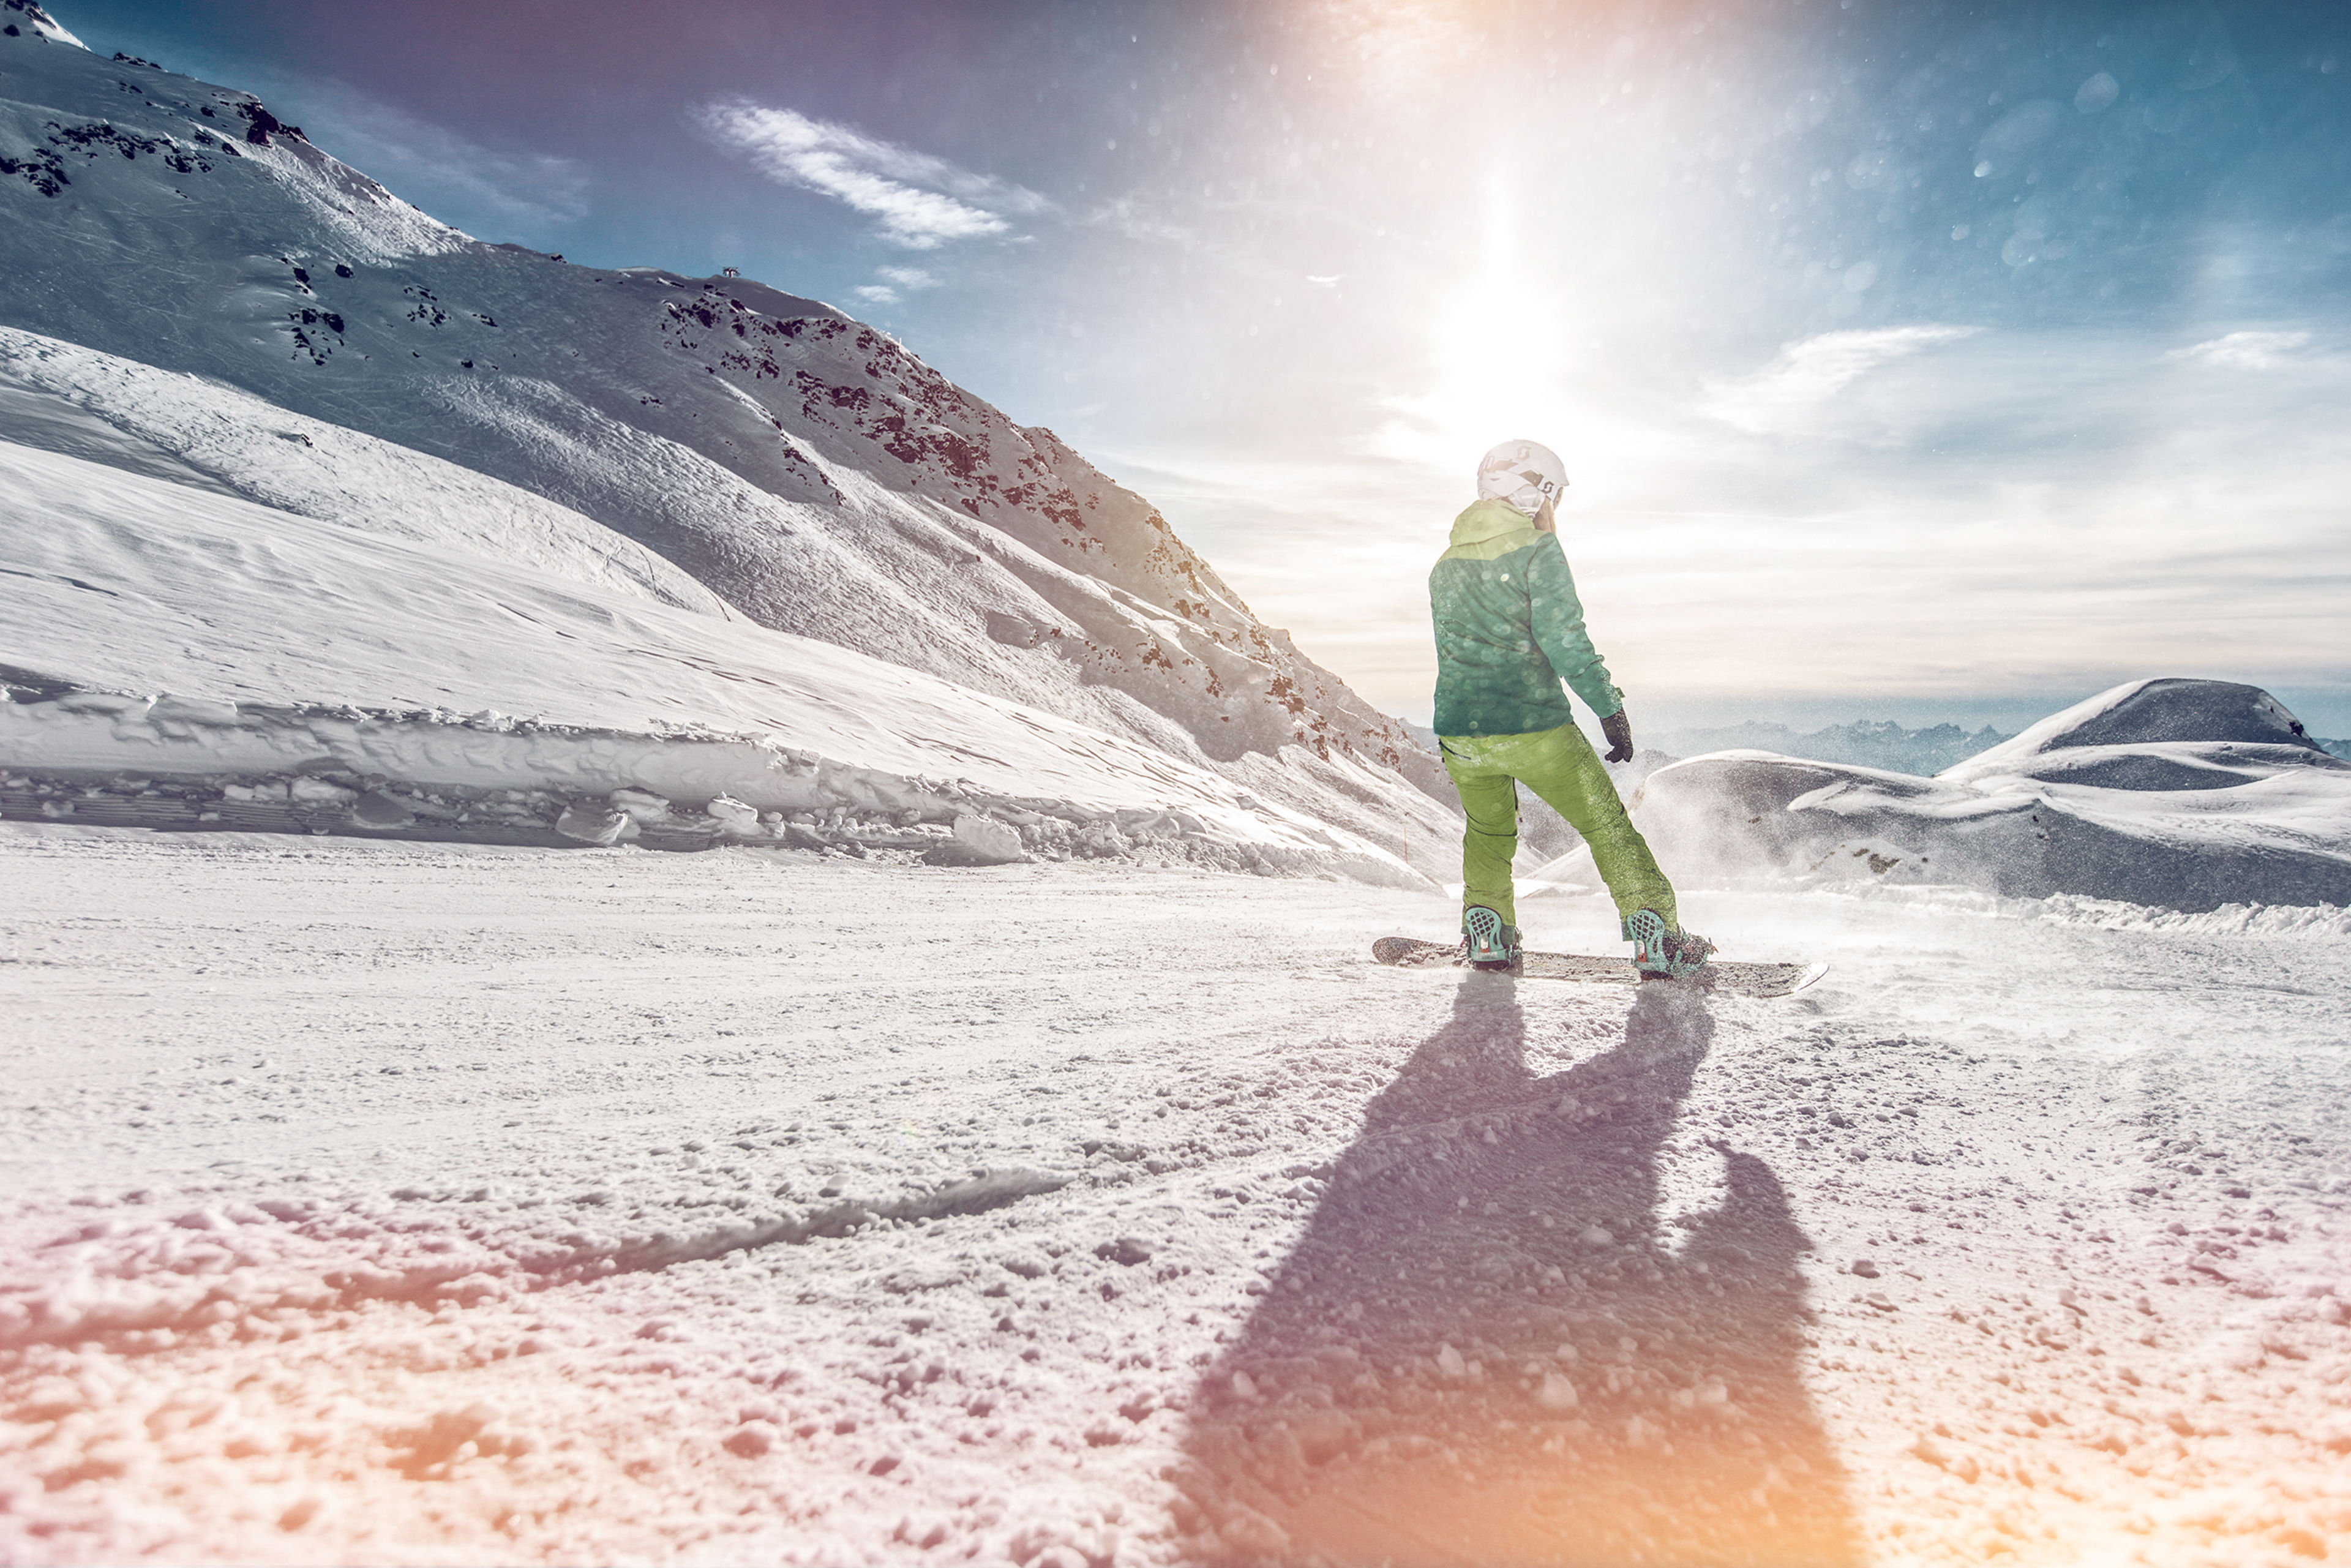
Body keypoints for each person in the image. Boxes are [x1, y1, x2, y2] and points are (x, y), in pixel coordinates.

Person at [1428, 439, 1713, 977]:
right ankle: (1658, 936)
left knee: (1488, 834)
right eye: (1550, 496)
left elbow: (1462, 651)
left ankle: (1487, 932)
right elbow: (1567, 642)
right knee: (1607, 827)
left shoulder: (1444, 566)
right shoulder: (1539, 552)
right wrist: (1610, 710)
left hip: (1462, 735)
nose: (1549, 508)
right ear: (1534, 492)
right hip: (1534, 727)